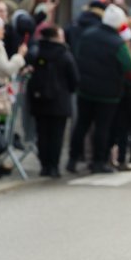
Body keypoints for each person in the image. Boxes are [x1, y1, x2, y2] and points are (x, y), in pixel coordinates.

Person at [67, 4, 131, 174]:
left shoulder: (87, 35)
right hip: (108, 93)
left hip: (85, 89)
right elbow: (129, 66)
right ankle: (98, 162)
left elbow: (77, 54)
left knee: (81, 124)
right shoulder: (118, 43)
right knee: (102, 128)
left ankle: (72, 159)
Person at [27, 25, 78, 177]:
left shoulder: (36, 52)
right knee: (57, 135)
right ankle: (54, 166)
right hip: (60, 100)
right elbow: (74, 79)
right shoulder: (64, 54)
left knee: (42, 133)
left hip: (39, 99)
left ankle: (44, 165)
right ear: (56, 37)